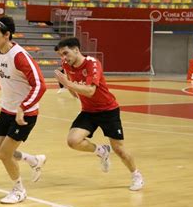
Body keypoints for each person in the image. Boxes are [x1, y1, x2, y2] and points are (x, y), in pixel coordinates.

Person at [53, 37, 144, 191]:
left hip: (108, 110)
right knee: (73, 141)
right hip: (88, 111)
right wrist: (68, 85)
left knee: (119, 149)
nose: (63, 58)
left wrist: (68, 83)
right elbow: (75, 93)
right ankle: (102, 151)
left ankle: (136, 175)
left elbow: (90, 91)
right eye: (61, 55)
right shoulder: (66, 65)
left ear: (76, 50)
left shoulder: (92, 64)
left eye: (66, 53)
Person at [0, 15, 47, 204]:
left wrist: (23, 107)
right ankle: (33, 160)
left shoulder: (19, 56)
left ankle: (19, 190)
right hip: (6, 110)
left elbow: (40, 85)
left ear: (7, 35)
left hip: (26, 114)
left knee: (5, 154)